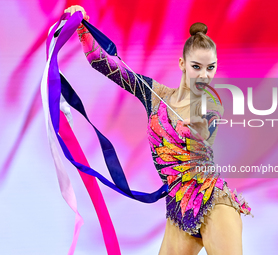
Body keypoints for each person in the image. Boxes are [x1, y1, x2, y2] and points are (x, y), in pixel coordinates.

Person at [64, 5, 253, 255]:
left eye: (211, 68)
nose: (204, 76)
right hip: (178, 208)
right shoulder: (156, 96)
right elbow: (100, 61)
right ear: (182, 64)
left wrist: (198, 129)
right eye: (197, 67)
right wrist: (81, 26)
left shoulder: (211, 103)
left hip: (213, 203)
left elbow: (207, 128)